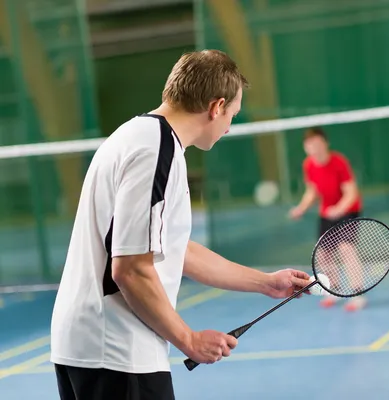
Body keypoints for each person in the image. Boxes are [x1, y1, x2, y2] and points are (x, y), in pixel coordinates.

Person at [50, 50, 312, 400]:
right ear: (216, 107)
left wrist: (266, 283)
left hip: (89, 347)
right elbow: (130, 269)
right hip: (116, 351)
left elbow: (174, 249)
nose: (230, 126)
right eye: (232, 114)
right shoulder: (155, 150)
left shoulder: (138, 137)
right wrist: (188, 339)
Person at [289, 127, 366, 312]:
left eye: (316, 142)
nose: (313, 147)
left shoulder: (339, 161)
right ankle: (335, 290)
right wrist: (301, 208)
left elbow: (351, 192)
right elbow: (312, 191)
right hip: (326, 212)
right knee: (324, 254)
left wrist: (339, 209)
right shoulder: (308, 164)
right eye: (309, 144)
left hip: (348, 211)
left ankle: (357, 294)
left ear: (325, 143)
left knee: (346, 249)